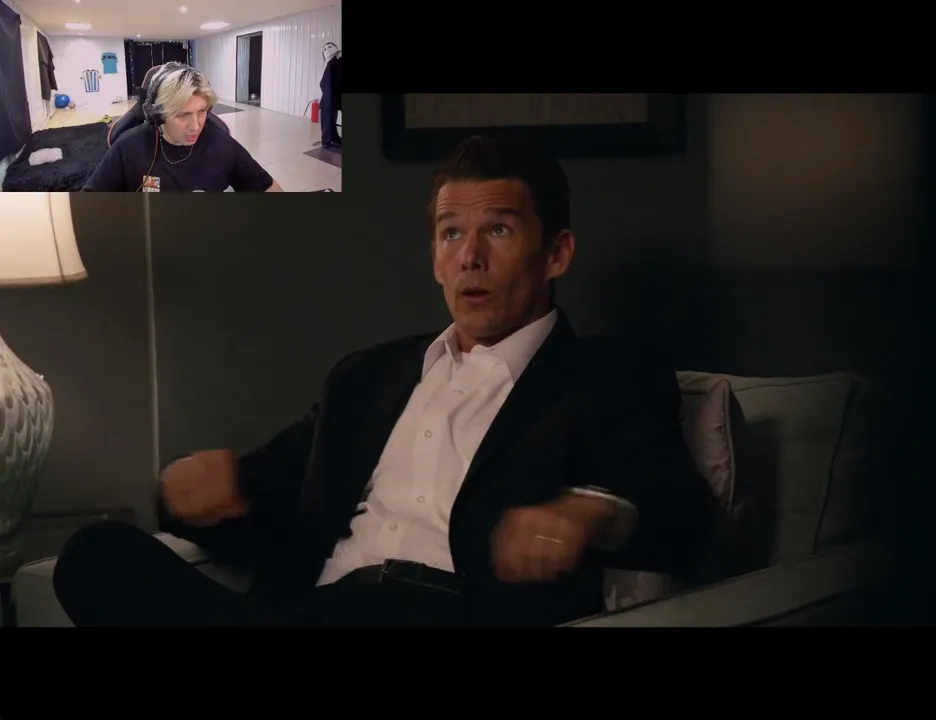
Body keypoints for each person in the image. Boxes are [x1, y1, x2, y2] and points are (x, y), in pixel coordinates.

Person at [53, 135, 720, 627]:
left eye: (499, 229)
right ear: (434, 258)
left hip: (451, 612)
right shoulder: (366, 377)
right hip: (311, 610)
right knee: (94, 553)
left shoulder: (608, 374)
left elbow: (684, 515)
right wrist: (189, 493)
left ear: (557, 253)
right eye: (451, 233)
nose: (470, 257)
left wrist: (588, 511)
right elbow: (262, 505)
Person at [82, 62, 282, 192]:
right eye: (183, 114)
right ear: (158, 114)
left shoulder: (222, 145)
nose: (196, 126)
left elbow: (271, 188)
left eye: (202, 111)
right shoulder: (128, 147)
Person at [319, 43, 341, 150]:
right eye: (325, 49)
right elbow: (323, 84)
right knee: (328, 122)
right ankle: (327, 142)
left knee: (331, 121)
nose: (327, 49)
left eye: (330, 47)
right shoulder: (331, 65)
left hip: (332, 100)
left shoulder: (335, 63)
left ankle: (334, 138)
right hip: (328, 101)